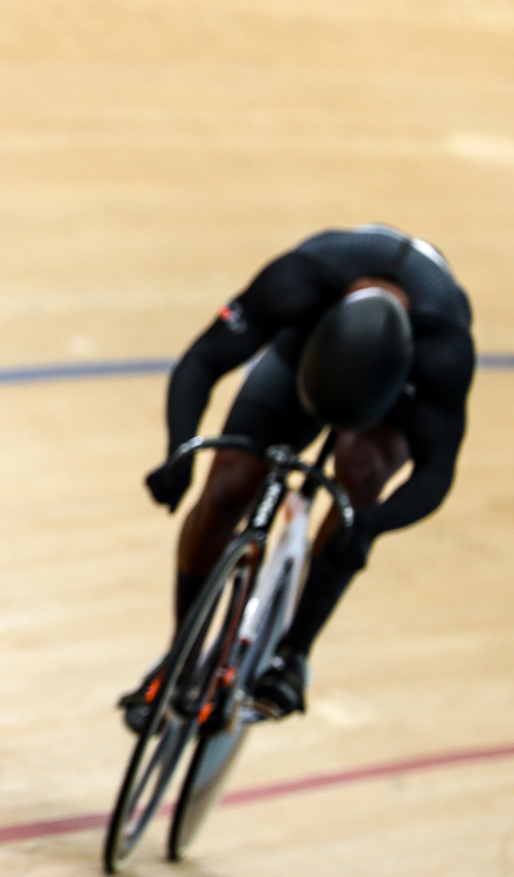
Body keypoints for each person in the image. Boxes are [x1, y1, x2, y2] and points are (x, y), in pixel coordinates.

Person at [123, 225, 474, 729]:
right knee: (225, 489)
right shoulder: (296, 283)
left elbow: (436, 472)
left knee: (362, 475)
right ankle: (182, 651)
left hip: (395, 383)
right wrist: (179, 452)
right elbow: (203, 360)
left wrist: (369, 526)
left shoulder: (442, 348)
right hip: (308, 345)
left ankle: (295, 653)